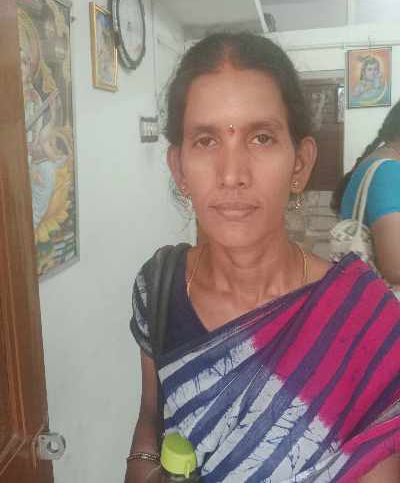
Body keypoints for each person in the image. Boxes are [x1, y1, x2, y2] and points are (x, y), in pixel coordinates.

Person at [126, 33, 400, 482]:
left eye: (261, 137)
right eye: (206, 141)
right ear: (179, 168)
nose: (232, 174)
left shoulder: (364, 321)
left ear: (300, 164)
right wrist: (140, 467)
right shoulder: (158, 287)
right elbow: (151, 419)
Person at [331, 101, 400, 288]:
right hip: (385, 299)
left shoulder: (378, 161)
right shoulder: (389, 171)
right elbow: (395, 269)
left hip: (364, 293)